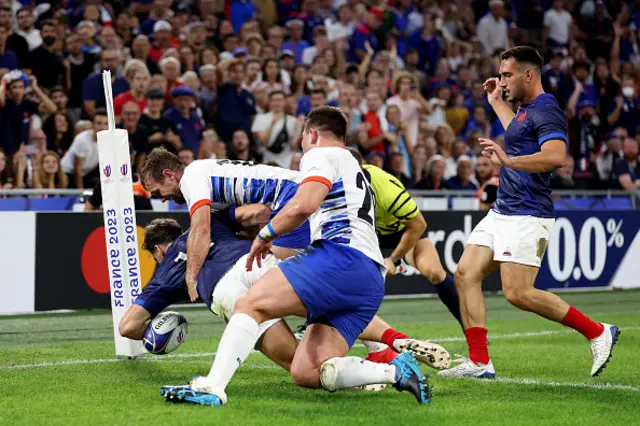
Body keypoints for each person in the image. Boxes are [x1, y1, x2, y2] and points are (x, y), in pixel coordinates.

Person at [157, 107, 433, 406]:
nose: (302, 144)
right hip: (369, 280)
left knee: (250, 303)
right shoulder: (355, 168)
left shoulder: (320, 154)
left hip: (340, 256)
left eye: (303, 137)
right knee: (306, 371)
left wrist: (266, 234)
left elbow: (304, 204)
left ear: (313, 134)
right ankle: (396, 371)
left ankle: (211, 386)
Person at [438, 46, 619, 379]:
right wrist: (495, 102)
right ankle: (480, 363)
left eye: (507, 75)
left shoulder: (547, 109)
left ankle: (597, 331)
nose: (502, 81)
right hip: (504, 208)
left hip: (528, 212)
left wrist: (508, 161)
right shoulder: (524, 111)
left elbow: (555, 156)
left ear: (528, 75)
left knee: (518, 292)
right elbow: (518, 134)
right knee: (465, 275)